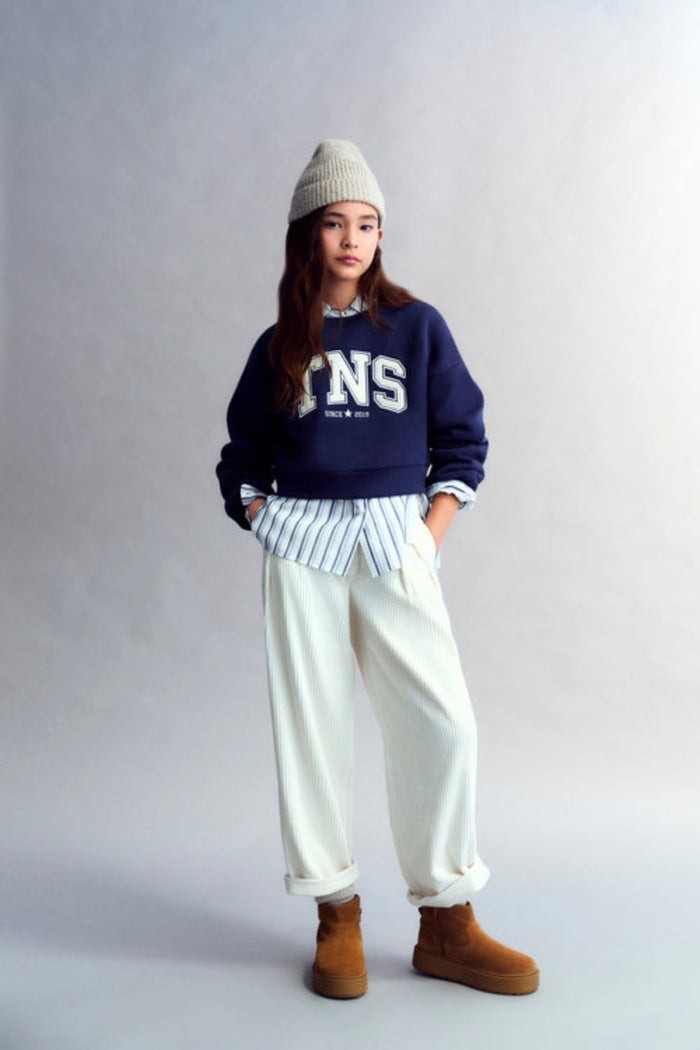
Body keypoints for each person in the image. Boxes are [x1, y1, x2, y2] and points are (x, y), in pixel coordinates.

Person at [216, 140, 539, 999]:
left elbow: (462, 440)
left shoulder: (417, 328)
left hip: (396, 536)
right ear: (307, 235)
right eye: (335, 223)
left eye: (367, 223)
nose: (352, 239)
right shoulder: (281, 344)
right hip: (303, 546)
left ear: (381, 234)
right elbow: (241, 455)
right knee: (313, 730)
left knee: (443, 723)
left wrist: (427, 537)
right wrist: (263, 515)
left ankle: (447, 921)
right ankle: (337, 914)